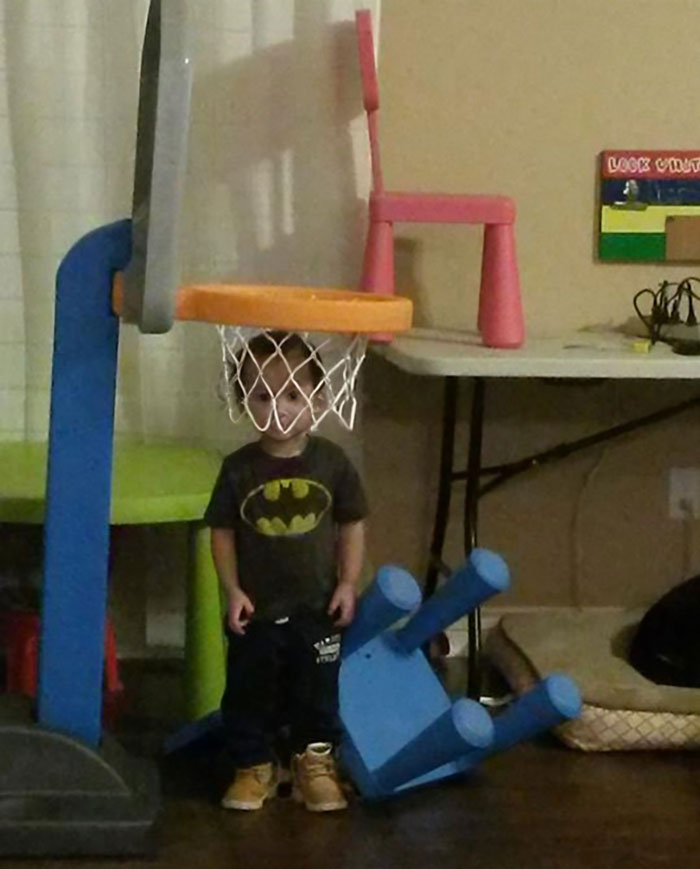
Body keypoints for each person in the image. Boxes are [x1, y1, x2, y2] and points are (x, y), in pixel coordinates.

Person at [204, 331, 367, 812]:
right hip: (256, 610)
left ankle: (314, 763)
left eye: (292, 394)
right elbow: (222, 533)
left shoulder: (332, 464)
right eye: (262, 395)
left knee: (318, 694)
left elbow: (352, 523)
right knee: (248, 692)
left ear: (318, 398)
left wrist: (347, 581)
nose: (277, 407)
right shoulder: (238, 470)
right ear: (243, 401)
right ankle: (254, 765)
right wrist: (232, 589)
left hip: (316, 608)